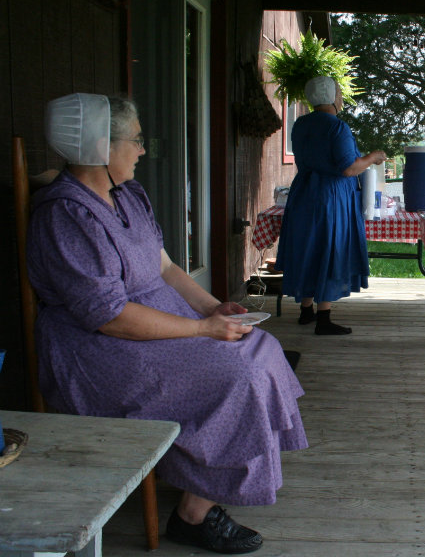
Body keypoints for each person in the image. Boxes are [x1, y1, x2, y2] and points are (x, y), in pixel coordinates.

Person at [28, 93, 307, 554]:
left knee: (262, 349)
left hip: (157, 325)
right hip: (100, 351)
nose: (141, 149)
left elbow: (165, 269)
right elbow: (109, 317)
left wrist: (212, 308)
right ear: (101, 146)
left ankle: (202, 489)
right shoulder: (66, 215)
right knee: (240, 374)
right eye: (135, 140)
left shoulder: (129, 196)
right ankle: (193, 517)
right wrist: (202, 331)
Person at [276, 76, 387, 335]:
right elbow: (349, 168)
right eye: (338, 92)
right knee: (329, 248)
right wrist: (372, 158)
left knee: (308, 247)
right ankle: (323, 319)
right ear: (332, 97)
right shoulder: (337, 127)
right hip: (330, 197)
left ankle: (306, 311)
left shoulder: (300, 124)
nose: (341, 97)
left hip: (303, 193)